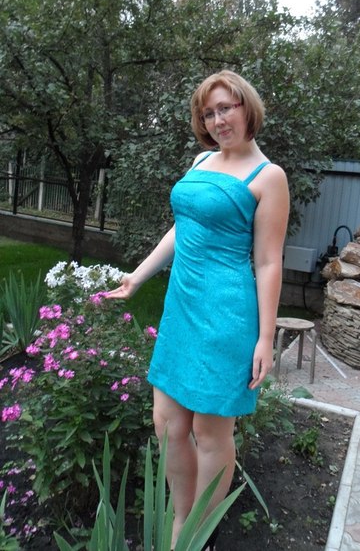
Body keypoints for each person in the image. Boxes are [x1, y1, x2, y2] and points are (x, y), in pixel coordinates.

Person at [108, 70, 289, 549]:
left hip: (226, 316)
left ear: (247, 108)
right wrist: (138, 275)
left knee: (210, 431)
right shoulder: (202, 160)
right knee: (167, 423)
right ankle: (182, 519)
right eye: (209, 113)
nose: (217, 120)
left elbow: (268, 261)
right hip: (182, 308)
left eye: (226, 108)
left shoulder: (268, 177)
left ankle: (198, 533)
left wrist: (265, 338)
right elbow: (182, 227)